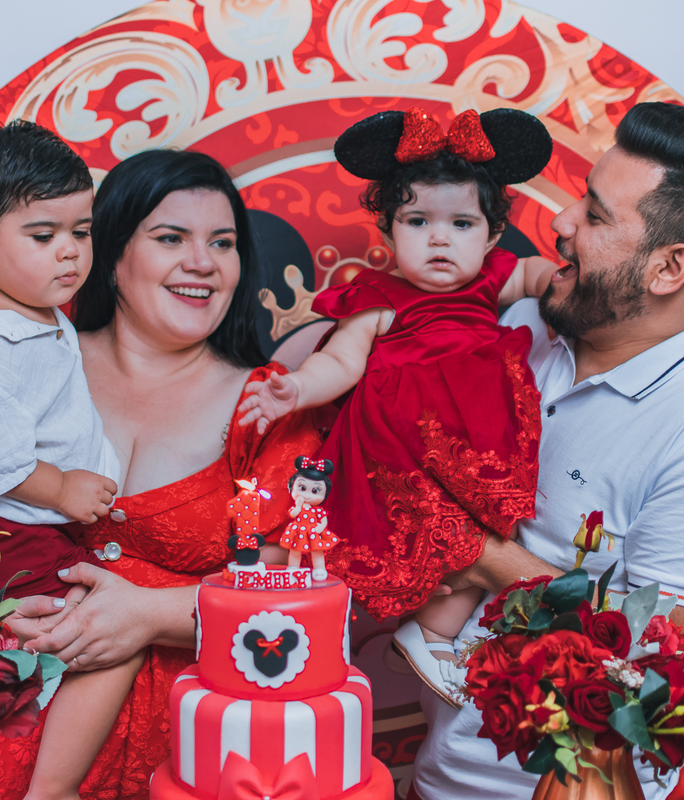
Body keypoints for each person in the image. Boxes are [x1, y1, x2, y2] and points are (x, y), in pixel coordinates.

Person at [0, 148, 321, 800]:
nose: (203, 262)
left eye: (223, 243)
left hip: (193, 752)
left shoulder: (268, 407)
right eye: (171, 239)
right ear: (111, 253)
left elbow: (295, 591)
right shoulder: (22, 357)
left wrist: (152, 613)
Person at [409, 102, 684, 799]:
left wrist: (484, 556)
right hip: (434, 775)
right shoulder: (529, 322)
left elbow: (657, 680)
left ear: (669, 268)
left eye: (595, 214)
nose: (559, 222)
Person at [236, 107, 557, 706]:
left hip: (480, 436)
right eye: (417, 221)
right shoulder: (380, 298)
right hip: (402, 444)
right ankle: (413, 631)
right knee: (419, 535)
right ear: (388, 233)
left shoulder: (491, 280)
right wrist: (297, 390)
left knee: (488, 530)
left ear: (490, 237)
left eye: (462, 223)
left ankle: (434, 636)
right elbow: (342, 363)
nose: (440, 238)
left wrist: (559, 284)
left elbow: (539, 274)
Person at [0, 120, 138, 800]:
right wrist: (62, 487)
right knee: (103, 637)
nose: (70, 254)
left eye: (82, 231)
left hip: (4, 521)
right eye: (44, 237)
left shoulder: (21, 302)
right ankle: (53, 788)